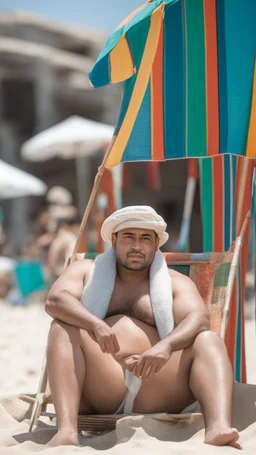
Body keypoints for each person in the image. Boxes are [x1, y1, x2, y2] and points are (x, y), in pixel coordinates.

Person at [45, 206, 241, 449]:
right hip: (103, 383)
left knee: (208, 339)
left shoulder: (174, 281)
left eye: (145, 238)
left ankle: (218, 427)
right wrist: (95, 324)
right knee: (60, 328)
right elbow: (55, 300)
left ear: (156, 244)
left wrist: (166, 346)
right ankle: (67, 431)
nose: (136, 245)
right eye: (129, 237)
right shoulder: (86, 271)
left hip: (161, 384)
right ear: (114, 240)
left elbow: (199, 318)